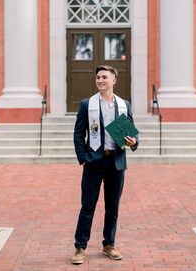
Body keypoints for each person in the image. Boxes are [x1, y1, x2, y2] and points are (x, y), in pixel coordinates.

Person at [72, 65, 139, 264]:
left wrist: (134, 142)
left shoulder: (124, 104)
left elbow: (132, 132)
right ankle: (80, 247)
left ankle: (109, 243)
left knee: (113, 206)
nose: (100, 80)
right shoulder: (87, 104)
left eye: (104, 77)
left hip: (116, 162)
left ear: (113, 80)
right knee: (88, 206)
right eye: (98, 77)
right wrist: (83, 156)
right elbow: (78, 133)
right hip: (94, 162)